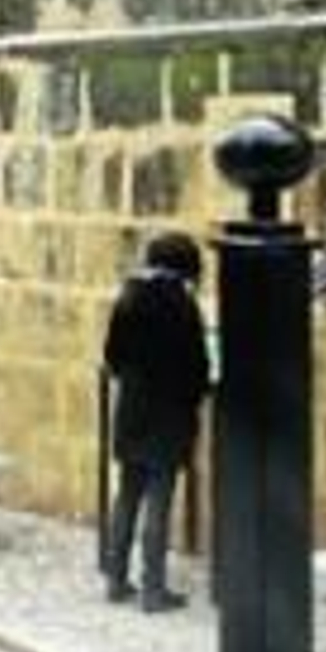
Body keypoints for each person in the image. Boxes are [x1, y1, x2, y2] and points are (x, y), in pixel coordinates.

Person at [102, 229, 211, 612]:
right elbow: (197, 366)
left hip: (132, 411)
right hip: (169, 415)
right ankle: (153, 590)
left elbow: (112, 356)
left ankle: (116, 580)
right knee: (159, 503)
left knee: (127, 496)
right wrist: (196, 394)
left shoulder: (128, 297)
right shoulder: (182, 305)